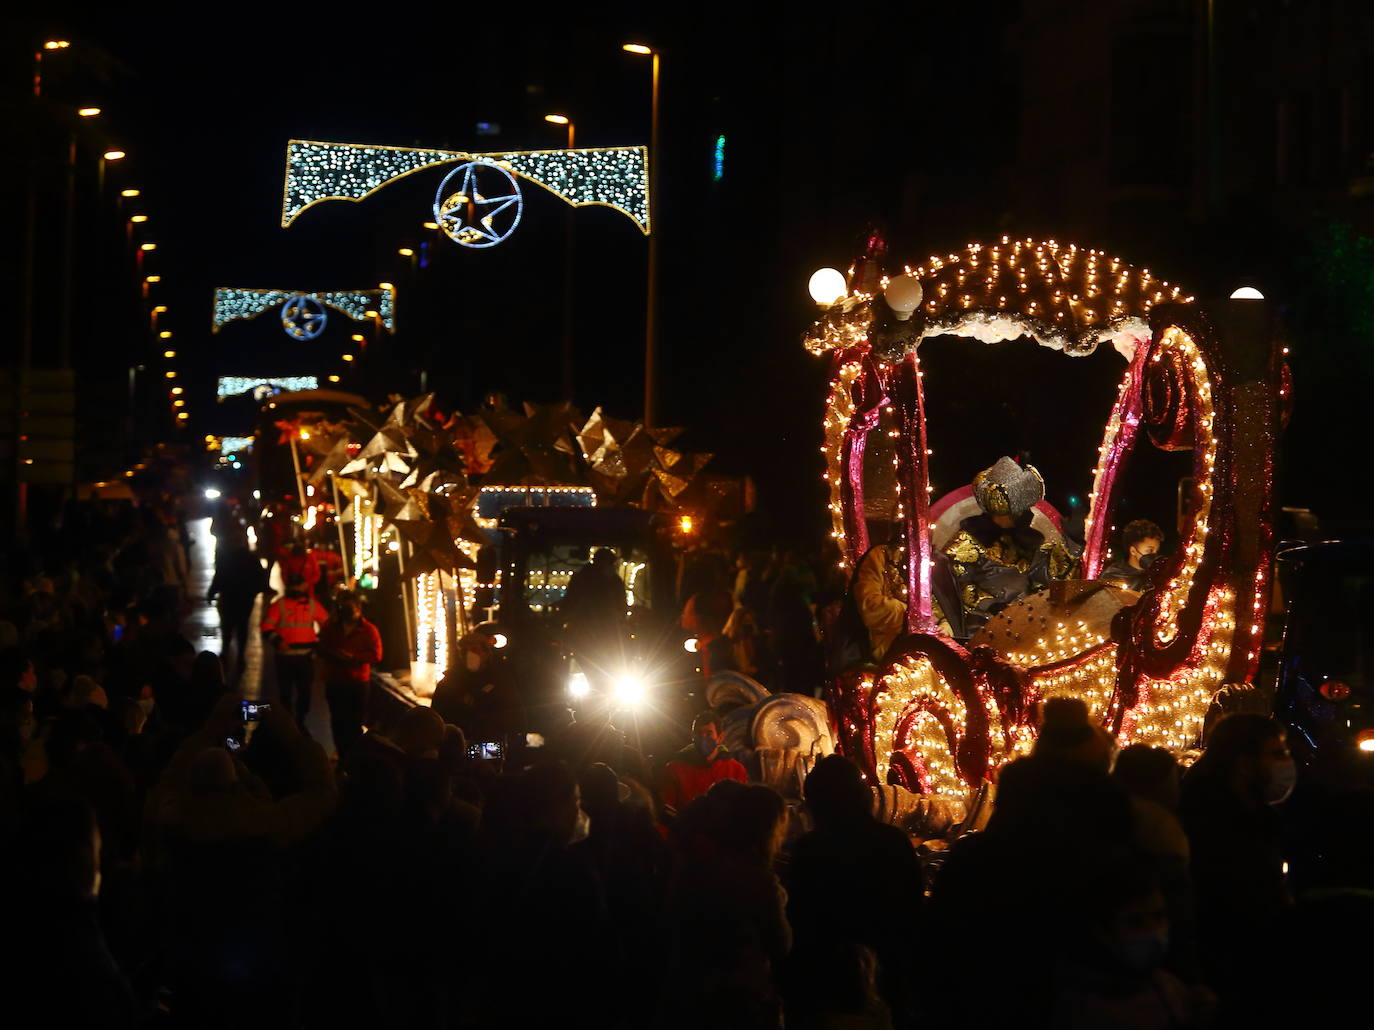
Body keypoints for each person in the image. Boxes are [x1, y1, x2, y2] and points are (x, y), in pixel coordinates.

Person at [786, 755, 923, 1025]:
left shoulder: (809, 849)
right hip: (887, 976)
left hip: (825, 984)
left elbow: (800, 919)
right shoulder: (893, 842)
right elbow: (913, 910)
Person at [1178, 712, 1294, 994]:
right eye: (1277, 753)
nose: (1286, 763)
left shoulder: (1254, 815)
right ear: (1244, 764)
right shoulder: (1211, 824)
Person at [942, 456, 1076, 635]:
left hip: (1027, 623)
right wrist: (992, 606)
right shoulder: (967, 541)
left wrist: (1072, 543)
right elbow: (958, 587)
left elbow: (1049, 578)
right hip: (983, 627)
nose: (1026, 513)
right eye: (1020, 509)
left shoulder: (1029, 540)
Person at [260, 572, 329, 730]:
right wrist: (278, 642)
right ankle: (288, 720)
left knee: (305, 691)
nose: (297, 588)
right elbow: (266, 627)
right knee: (285, 692)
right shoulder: (280, 605)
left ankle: (300, 719)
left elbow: (327, 625)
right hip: (285, 657)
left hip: (305, 657)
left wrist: (319, 643)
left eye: (299, 585)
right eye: (294, 585)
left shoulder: (312, 605)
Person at [318, 592, 383, 759]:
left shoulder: (369, 630)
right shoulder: (330, 627)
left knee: (354, 723)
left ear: (358, 609)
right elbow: (321, 647)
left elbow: (376, 655)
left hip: (357, 684)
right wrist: (335, 654)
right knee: (337, 722)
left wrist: (354, 658)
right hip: (335, 681)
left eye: (349, 608)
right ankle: (342, 755)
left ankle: (352, 759)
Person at [660, 710, 748, 813]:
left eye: (708, 734)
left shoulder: (735, 769)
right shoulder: (674, 769)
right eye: (698, 734)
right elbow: (667, 809)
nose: (703, 738)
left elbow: (742, 809)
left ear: (720, 738)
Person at [206, 532, 269, 674]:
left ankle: (226, 650)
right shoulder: (251, 558)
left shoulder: (226, 558)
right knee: (242, 626)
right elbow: (261, 577)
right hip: (245, 598)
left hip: (228, 597)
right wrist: (255, 592)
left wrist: (211, 593)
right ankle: (240, 654)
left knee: (227, 626)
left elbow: (219, 577)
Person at [1100, 519, 1165, 592]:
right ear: (1133, 551)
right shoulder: (1112, 577)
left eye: (1156, 551)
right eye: (1150, 550)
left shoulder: (1158, 578)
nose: (1154, 555)